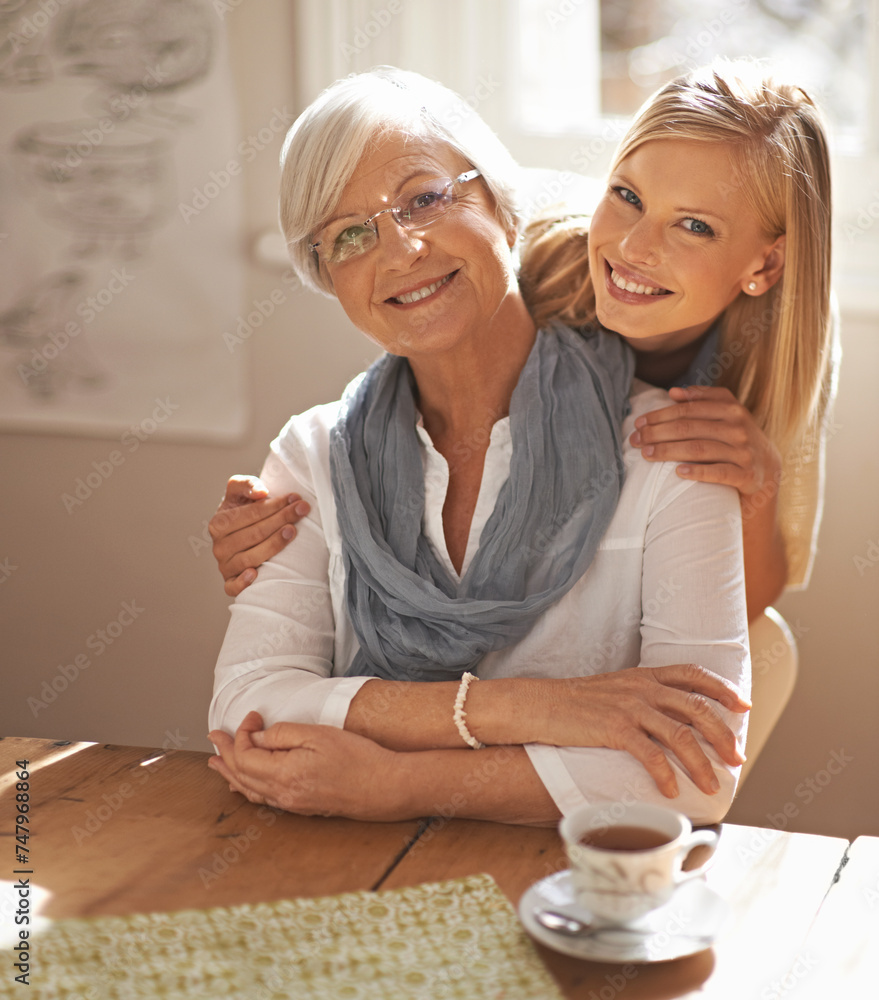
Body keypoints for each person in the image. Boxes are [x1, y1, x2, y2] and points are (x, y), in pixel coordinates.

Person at [207, 64, 751, 828]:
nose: (401, 250)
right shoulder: (310, 455)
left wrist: (396, 785)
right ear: (329, 276)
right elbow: (248, 708)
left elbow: (700, 773)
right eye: (351, 234)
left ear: (499, 200)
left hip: (567, 897)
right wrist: (526, 709)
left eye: (425, 198)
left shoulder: (668, 448)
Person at [212, 61, 838, 628]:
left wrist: (758, 491)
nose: (632, 248)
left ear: (767, 263)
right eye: (627, 196)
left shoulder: (782, 361)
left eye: (694, 225)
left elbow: (746, 608)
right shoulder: (533, 267)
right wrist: (298, 534)